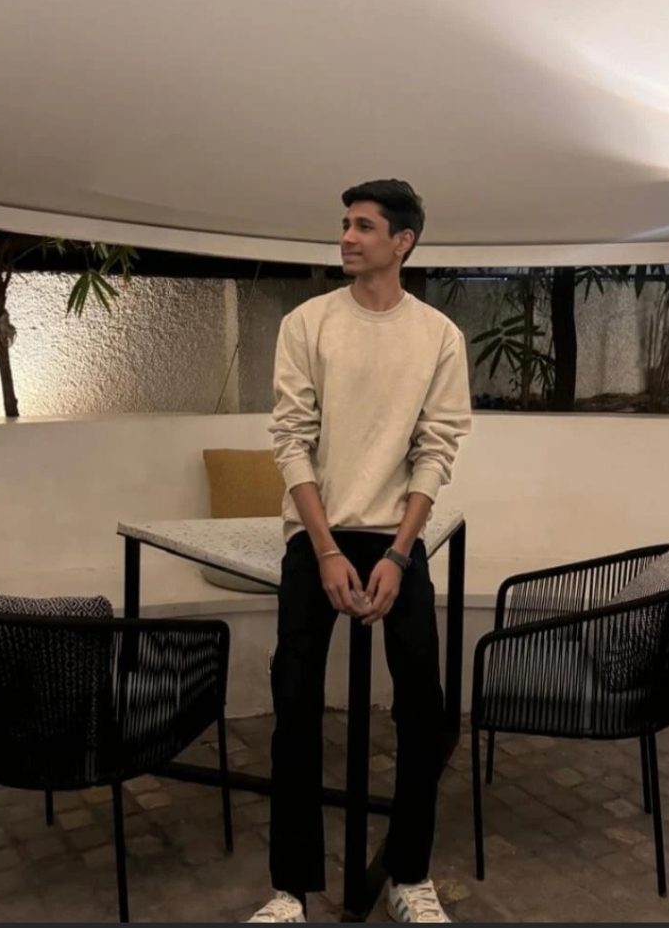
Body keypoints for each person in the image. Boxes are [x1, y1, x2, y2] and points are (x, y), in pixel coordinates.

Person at [247, 179, 472, 923]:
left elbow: (434, 451)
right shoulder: (307, 322)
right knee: (295, 702)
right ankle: (290, 890)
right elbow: (291, 440)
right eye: (344, 223)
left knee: (424, 708)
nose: (346, 237)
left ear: (401, 241)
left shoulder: (438, 336)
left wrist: (399, 553)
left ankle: (408, 874)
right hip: (315, 535)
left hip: (395, 540)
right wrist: (324, 552)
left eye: (363, 226)